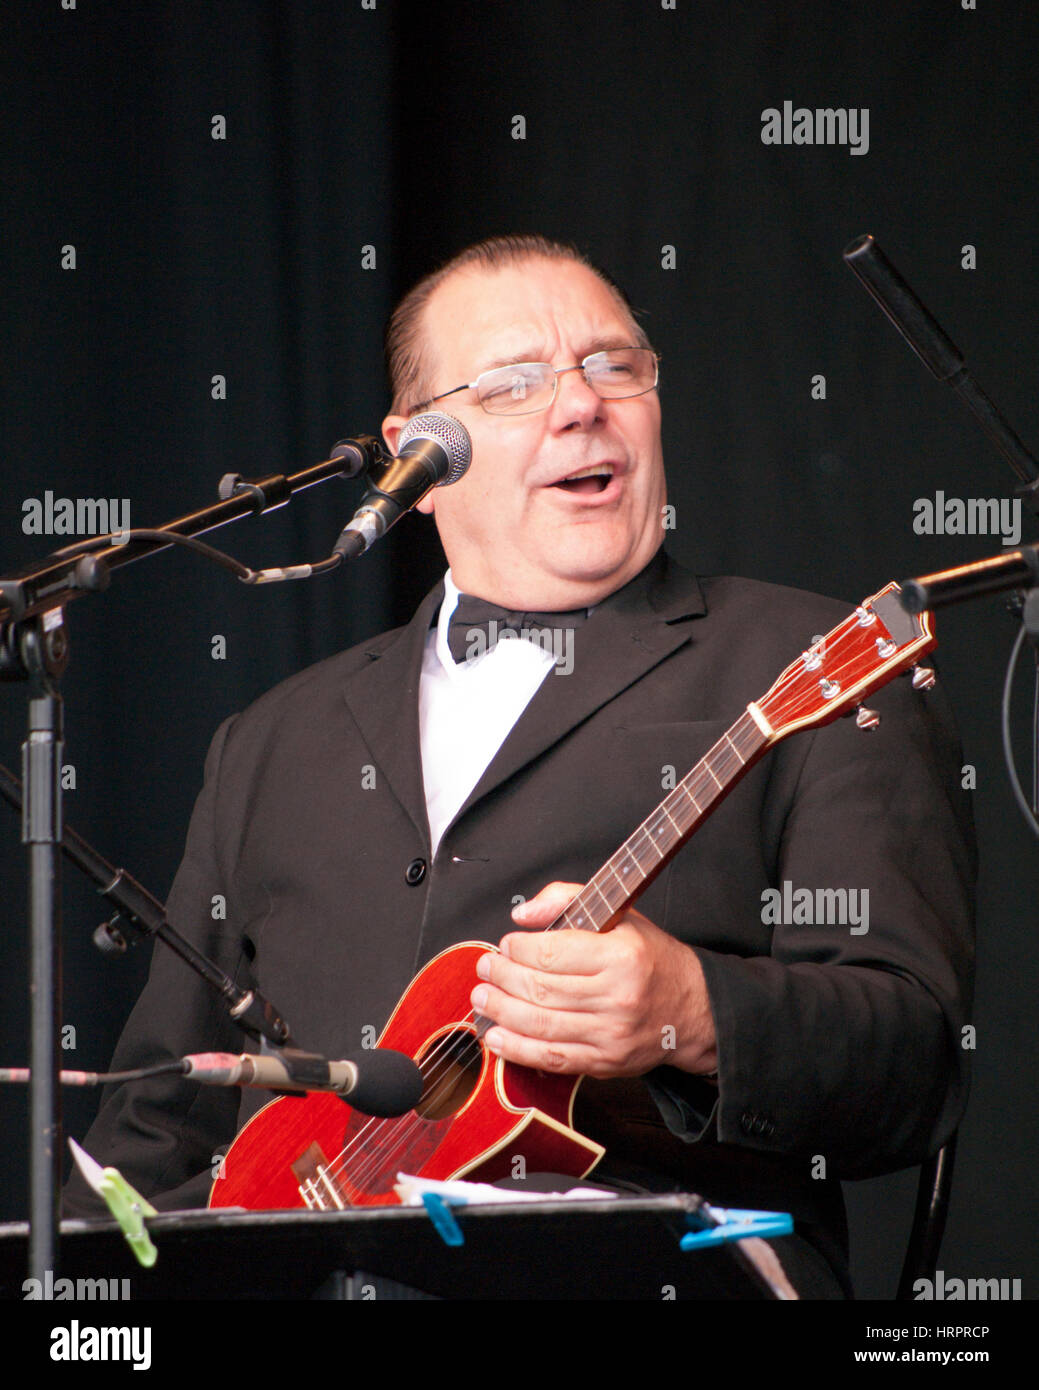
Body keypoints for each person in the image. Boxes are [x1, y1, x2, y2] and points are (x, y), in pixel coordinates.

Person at [63, 235, 975, 1299]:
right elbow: (159, 1115)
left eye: (615, 365)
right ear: (416, 458)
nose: (581, 404)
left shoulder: (812, 664)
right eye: (513, 384)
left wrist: (694, 1008)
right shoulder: (272, 736)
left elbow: (915, 1063)